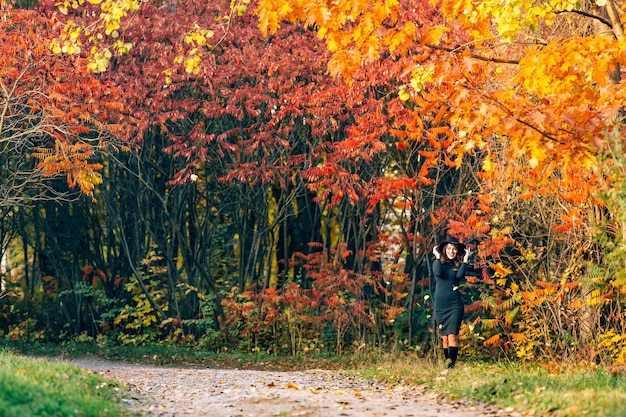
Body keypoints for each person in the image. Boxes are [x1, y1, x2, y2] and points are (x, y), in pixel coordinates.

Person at [432, 236, 471, 369]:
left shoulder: (458, 265)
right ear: (444, 250)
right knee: (445, 338)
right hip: (440, 307)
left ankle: (450, 368)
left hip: (455, 305)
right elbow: (437, 273)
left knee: (453, 335)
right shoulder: (438, 264)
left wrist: (465, 260)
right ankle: (447, 364)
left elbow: (460, 276)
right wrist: (437, 256)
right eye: (449, 248)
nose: (451, 251)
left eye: (454, 249)